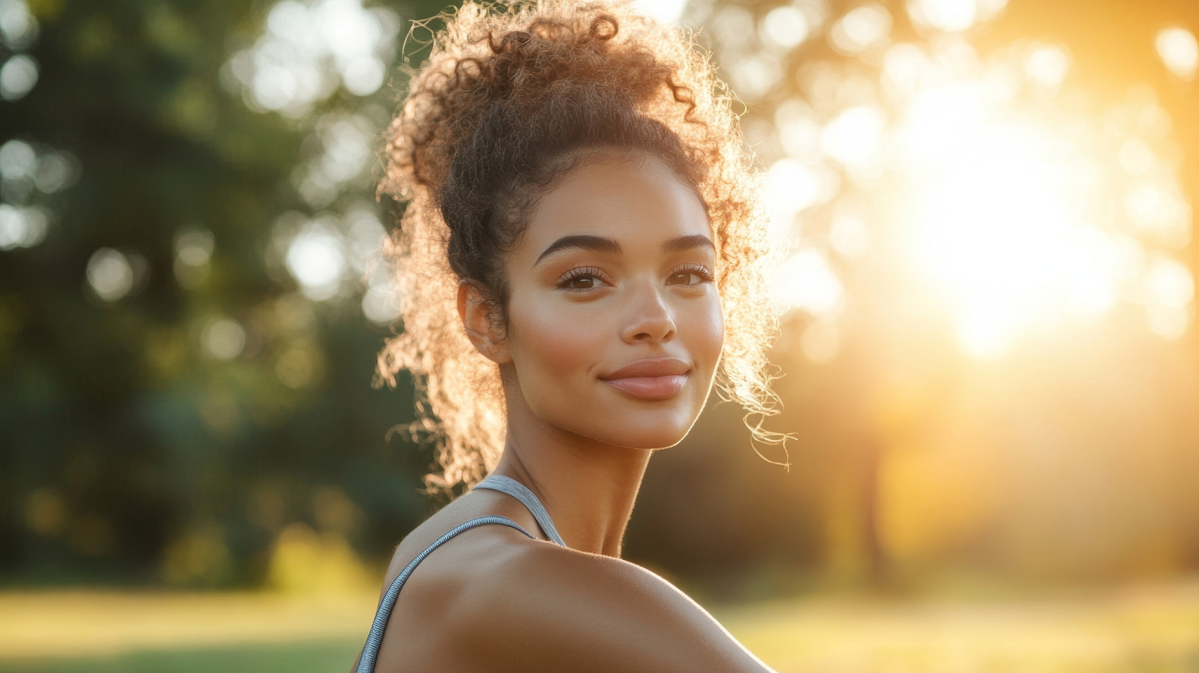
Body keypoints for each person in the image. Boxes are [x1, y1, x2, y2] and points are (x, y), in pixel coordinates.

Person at [355, 1, 785, 670]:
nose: (656, 317)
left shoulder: (467, 548)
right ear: (487, 319)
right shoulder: (497, 579)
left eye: (688, 272)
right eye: (585, 278)